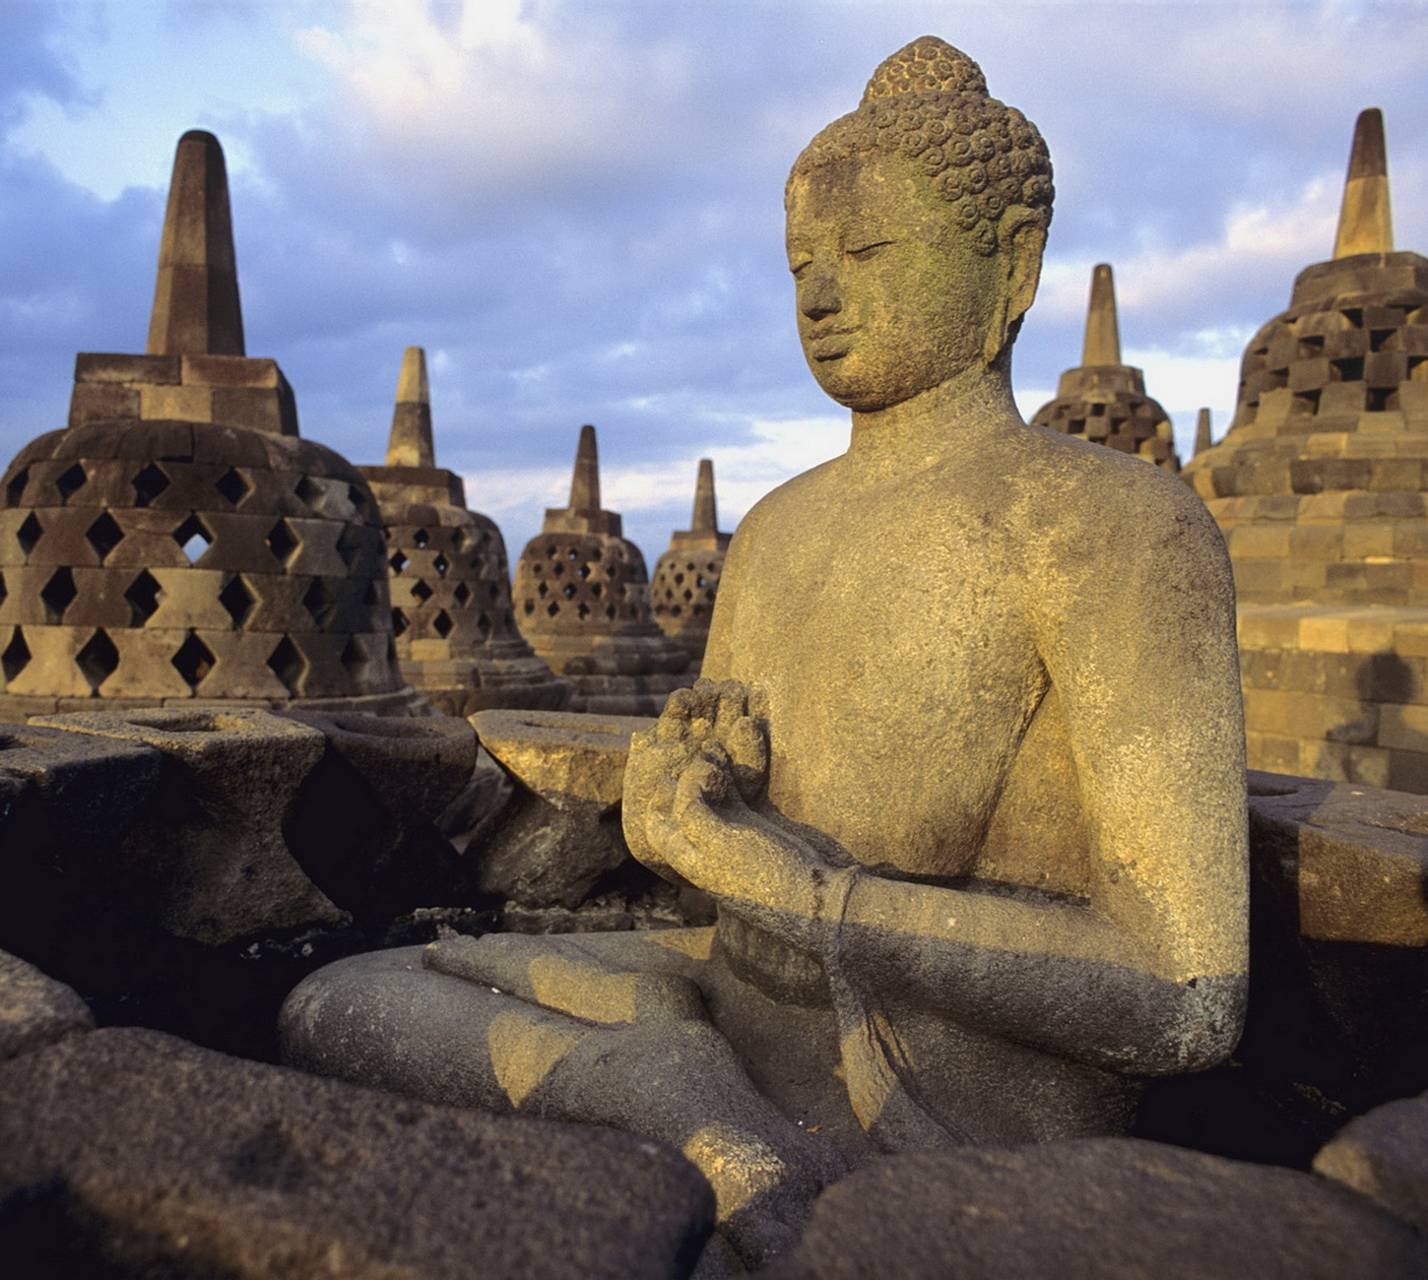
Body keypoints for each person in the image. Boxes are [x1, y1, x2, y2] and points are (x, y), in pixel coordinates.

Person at [282, 37, 1248, 1268]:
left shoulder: (1111, 526)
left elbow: (1184, 990)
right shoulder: (781, 528)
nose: (817, 295)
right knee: (345, 1000)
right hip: (734, 996)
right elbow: (720, 845)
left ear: (1013, 265)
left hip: (938, 1098)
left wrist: (809, 894)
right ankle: (682, 1099)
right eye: (799, 263)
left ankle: (702, 1121)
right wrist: (682, 802)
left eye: (865, 253)